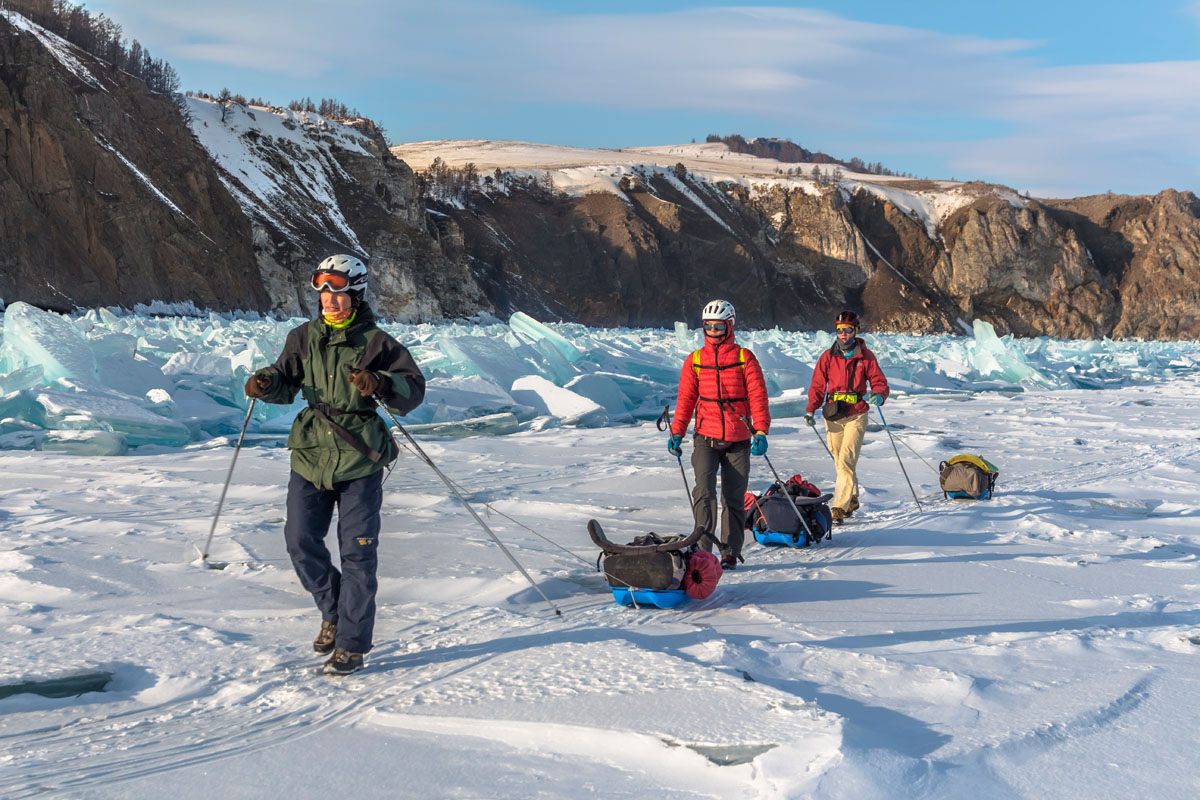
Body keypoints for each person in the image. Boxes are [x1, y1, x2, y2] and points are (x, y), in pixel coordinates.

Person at [245, 254, 425, 675]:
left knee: (358, 555)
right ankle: (334, 609)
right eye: (324, 294)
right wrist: (265, 384)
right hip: (310, 453)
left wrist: (381, 382)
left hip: (360, 456)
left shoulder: (378, 343)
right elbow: (285, 381)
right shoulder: (303, 336)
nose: (330, 302)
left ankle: (352, 643)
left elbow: (412, 390)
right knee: (299, 541)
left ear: (356, 295)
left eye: (339, 294)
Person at [668, 300, 770, 570]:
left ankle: (729, 551)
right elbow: (686, 399)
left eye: (718, 326)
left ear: (729, 326)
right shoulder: (695, 360)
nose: (713, 330)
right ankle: (703, 551)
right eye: (708, 326)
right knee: (704, 493)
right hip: (705, 437)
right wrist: (677, 432)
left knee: (733, 498)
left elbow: (758, 397)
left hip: (738, 439)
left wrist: (760, 430)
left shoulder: (744, 358)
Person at [804, 310, 889, 525]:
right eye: (840, 330)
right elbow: (817, 385)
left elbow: (879, 381)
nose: (843, 334)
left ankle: (839, 507)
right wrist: (810, 409)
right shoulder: (827, 356)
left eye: (848, 330)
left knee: (847, 460)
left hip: (856, 414)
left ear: (855, 330)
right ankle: (852, 498)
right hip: (833, 413)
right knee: (840, 461)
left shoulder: (865, 356)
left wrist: (879, 394)